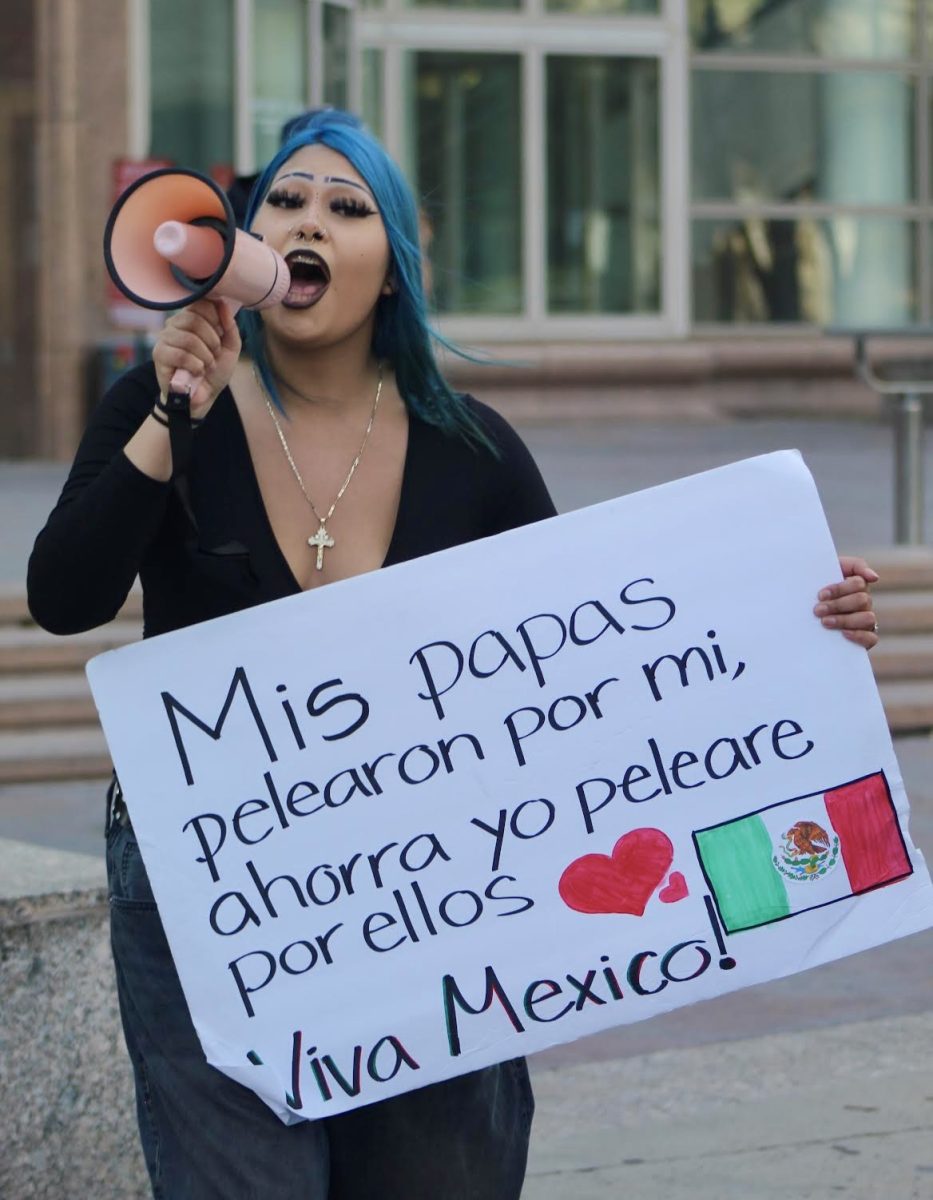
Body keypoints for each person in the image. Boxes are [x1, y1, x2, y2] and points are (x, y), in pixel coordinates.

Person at [27, 109, 880, 1199]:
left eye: (348, 208)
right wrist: (170, 407)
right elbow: (64, 596)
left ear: (391, 272)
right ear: (244, 245)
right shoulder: (165, 410)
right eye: (285, 201)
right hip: (214, 894)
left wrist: (795, 616)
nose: (310, 223)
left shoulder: (470, 448)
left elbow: (600, 659)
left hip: (434, 890)